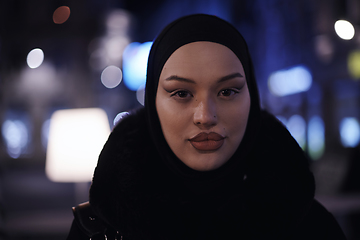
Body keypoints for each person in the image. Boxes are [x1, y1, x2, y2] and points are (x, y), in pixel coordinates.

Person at [67, 14, 346, 240]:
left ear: (252, 96)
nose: (205, 116)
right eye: (181, 93)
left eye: (227, 92)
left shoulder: (310, 226)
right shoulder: (99, 230)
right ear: (153, 103)